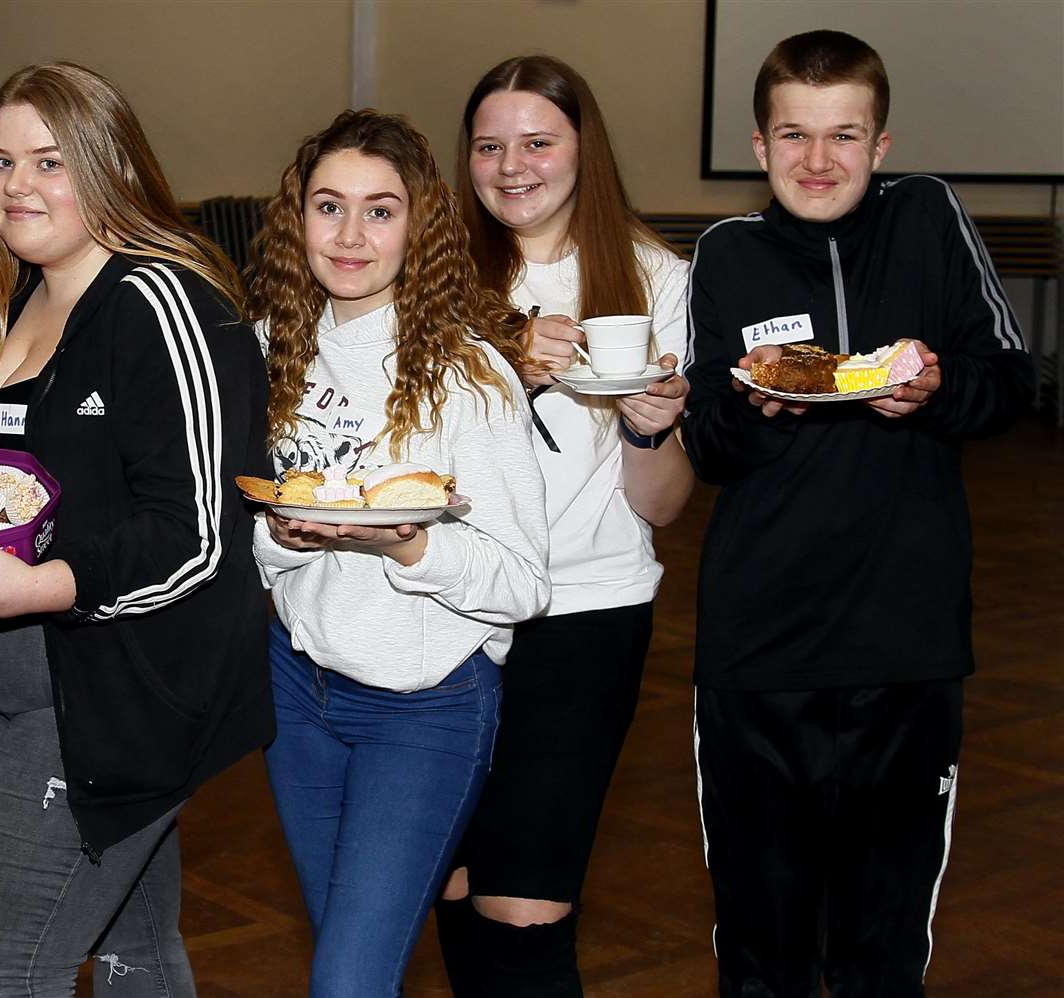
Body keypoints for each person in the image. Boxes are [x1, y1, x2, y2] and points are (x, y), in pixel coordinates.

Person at [0, 62, 272, 998]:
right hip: (22, 684)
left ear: (110, 167)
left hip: (116, 691)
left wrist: (41, 587)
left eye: (50, 161)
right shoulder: (3, 304)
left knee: (9, 964)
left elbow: (198, 533)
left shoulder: (163, 303)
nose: (19, 185)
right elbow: (12, 487)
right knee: (133, 954)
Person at [680, 30, 1034, 998]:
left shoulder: (930, 217)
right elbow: (706, 443)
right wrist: (763, 410)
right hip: (759, 663)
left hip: (907, 654)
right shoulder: (726, 255)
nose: (819, 161)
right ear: (759, 144)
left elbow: (1012, 380)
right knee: (762, 959)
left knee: (884, 960)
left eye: (845, 135)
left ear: (881, 145)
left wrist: (940, 386)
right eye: (795, 135)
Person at [248, 108, 550, 998]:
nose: (349, 235)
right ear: (295, 219)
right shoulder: (269, 354)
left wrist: (411, 547)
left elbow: (524, 587)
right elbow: (257, 541)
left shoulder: (468, 372)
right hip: (296, 693)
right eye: (328, 206)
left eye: (380, 210)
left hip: (427, 711)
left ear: (419, 225)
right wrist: (286, 539)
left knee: (347, 980)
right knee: (352, 960)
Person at [433, 55, 693, 996]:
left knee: (524, 904)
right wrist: (498, 357)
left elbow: (661, 505)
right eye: (490, 145)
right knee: (455, 884)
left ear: (586, 151)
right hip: (445, 607)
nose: (513, 166)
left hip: (586, 613)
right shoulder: (432, 275)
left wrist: (646, 424)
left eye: (539, 142)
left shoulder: (657, 277)